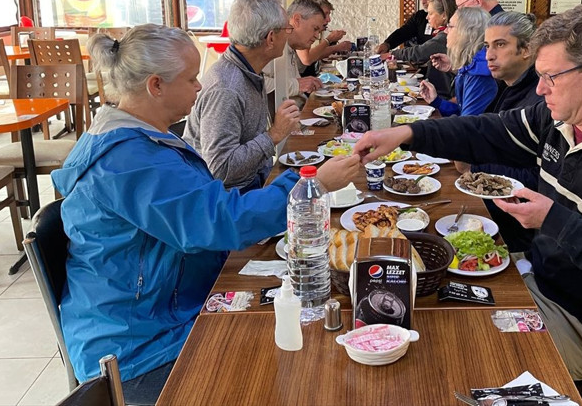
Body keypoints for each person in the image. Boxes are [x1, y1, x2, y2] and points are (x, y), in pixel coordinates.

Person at [354, 5, 582, 398]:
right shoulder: (560, 119)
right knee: (431, 312)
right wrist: (407, 134)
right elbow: (488, 132)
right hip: (544, 285)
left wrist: (553, 219)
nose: (539, 90)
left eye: (550, 77)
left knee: (452, 358)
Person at [53, 25, 359, 405]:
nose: (200, 87)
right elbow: (219, 221)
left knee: (301, 319)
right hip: (141, 349)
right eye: (191, 78)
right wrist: (308, 184)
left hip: (167, 308)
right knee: (306, 363)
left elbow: (204, 208)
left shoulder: (141, 136)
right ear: (155, 86)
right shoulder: (127, 161)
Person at [183, 0, 301, 192]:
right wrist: (274, 134)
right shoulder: (226, 88)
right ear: (271, 38)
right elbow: (220, 170)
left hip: (252, 184)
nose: (289, 34)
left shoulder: (247, 70)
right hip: (231, 202)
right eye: (287, 29)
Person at [466, 11, 541, 253]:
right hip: (497, 211)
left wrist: (475, 168)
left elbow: (540, 178)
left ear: (526, 49)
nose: (489, 55)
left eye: (500, 45)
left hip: (519, 235)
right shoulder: (506, 86)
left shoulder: (538, 99)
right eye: (487, 46)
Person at [419, 6, 496, 117]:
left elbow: (465, 126)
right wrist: (437, 101)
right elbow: (462, 112)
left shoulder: (479, 75)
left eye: (450, 26)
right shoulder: (472, 66)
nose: (445, 30)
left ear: (465, 33)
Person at [389, 0, 456, 100]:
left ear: (444, 15)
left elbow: (420, 52)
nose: (427, 17)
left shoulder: (445, 36)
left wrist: (391, 54)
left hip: (443, 97)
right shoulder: (441, 33)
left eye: (430, 13)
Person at [263, 0, 325, 105]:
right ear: (297, 20)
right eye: (315, 29)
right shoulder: (274, 46)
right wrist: (297, 85)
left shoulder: (291, 48)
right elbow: (257, 83)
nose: (317, 36)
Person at [376, 0, 446, 53]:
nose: (423, 1)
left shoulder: (452, 20)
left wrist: (393, 54)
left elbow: (425, 51)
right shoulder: (420, 16)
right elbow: (403, 32)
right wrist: (387, 44)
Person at [296, 0, 353, 77]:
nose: (328, 19)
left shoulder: (309, 30)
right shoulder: (301, 30)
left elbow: (313, 55)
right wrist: (329, 40)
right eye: (325, 14)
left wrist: (336, 47)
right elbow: (307, 59)